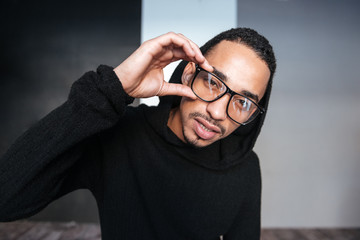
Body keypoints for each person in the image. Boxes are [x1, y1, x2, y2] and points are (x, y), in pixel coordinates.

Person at [0, 28, 276, 239]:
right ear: (190, 73)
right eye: (213, 83)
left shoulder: (245, 169)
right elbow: (6, 199)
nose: (217, 112)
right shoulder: (120, 135)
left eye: (243, 102)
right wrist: (112, 89)